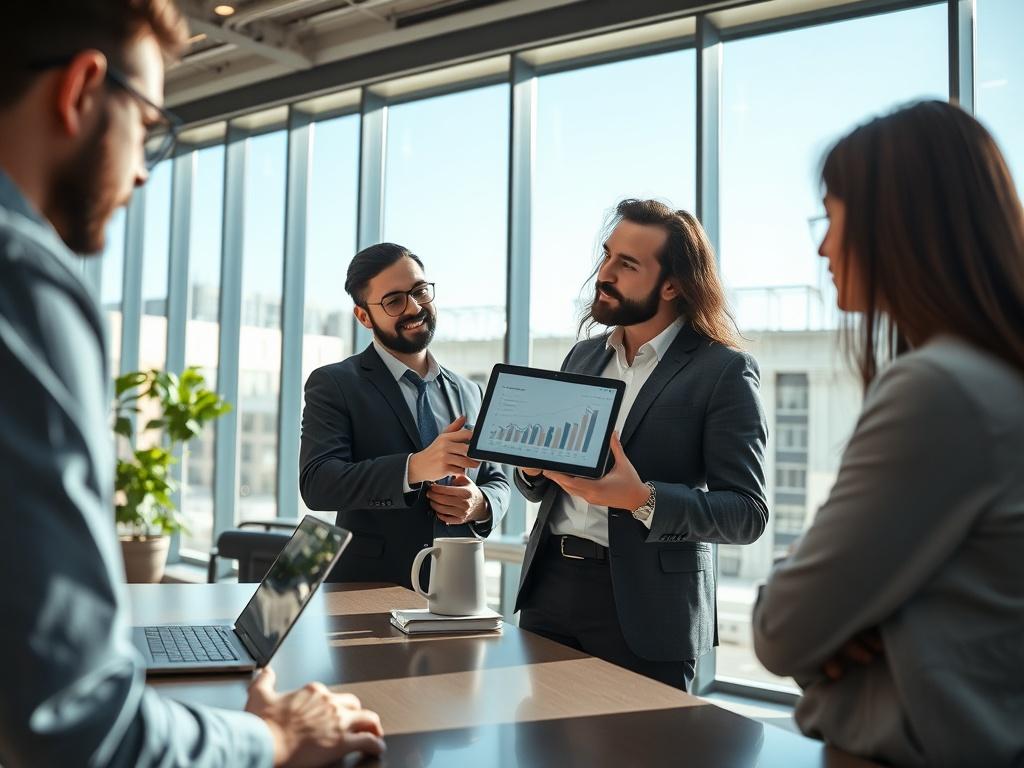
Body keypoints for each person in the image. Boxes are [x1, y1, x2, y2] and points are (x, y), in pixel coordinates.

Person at [0, 2, 384, 765]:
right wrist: (273, 736)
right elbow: (76, 727)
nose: (144, 168)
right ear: (80, 90)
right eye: (147, 126)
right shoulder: (25, 285)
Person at [752, 101, 1024, 768]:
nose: (821, 246)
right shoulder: (997, 381)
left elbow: (782, 629)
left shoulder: (937, 391)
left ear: (891, 222)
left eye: (831, 215)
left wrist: (845, 615)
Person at [514, 199, 769, 691]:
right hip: (550, 589)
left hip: (650, 610)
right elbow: (550, 488)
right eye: (607, 256)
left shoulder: (723, 371)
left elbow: (747, 514)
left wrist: (643, 499)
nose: (603, 273)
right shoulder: (583, 356)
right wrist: (533, 470)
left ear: (672, 284)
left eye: (626, 264)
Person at [300, 243, 510, 589]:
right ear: (364, 316)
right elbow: (318, 483)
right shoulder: (335, 383)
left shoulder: (470, 391)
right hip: (369, 591)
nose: (414, 307)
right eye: (394, 300)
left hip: (457, 588)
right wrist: (415, 468)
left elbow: (498, 480)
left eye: (419, 291)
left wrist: (480, 504)